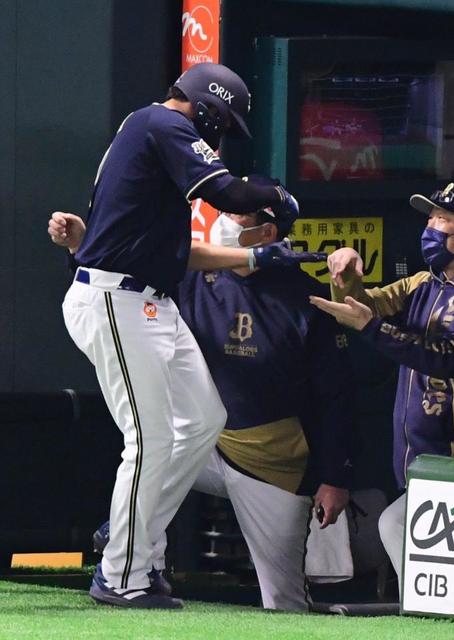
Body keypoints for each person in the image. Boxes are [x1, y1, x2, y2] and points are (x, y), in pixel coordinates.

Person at [58, 61, 323, 609]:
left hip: (148, 298)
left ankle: (134, 536)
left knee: (204, 419)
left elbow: (178, 253)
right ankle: (123, 572)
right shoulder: (161, 122)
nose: (218, 133)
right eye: (221, 121)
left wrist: (255, 253)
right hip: (116, 300)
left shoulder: (155, 139)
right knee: (150, 438)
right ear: (205, 106)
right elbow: (227, 193)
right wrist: (274, 200)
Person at [49, 198, 354, 612]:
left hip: (268, 460)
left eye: (240, 214)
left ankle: (131, 542)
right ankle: (136, 557)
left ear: (268, 233)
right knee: (150, 451)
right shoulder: (193, 276)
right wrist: (81, 247)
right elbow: (123, 283)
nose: (226, 219)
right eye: (227, 209)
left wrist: (335, 477)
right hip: (206, 446)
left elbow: (335, 397)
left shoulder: (306, 298)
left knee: (284, 599)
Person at [310, 180, 454, 596]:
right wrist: (348, 277)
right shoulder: (423, 282)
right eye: (430, 216)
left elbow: (445, 355)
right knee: (412, 547)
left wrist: (369, 327)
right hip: (421, 463)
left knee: (404, 536)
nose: (431, 226)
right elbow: (366, 306)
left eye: (443, 219)